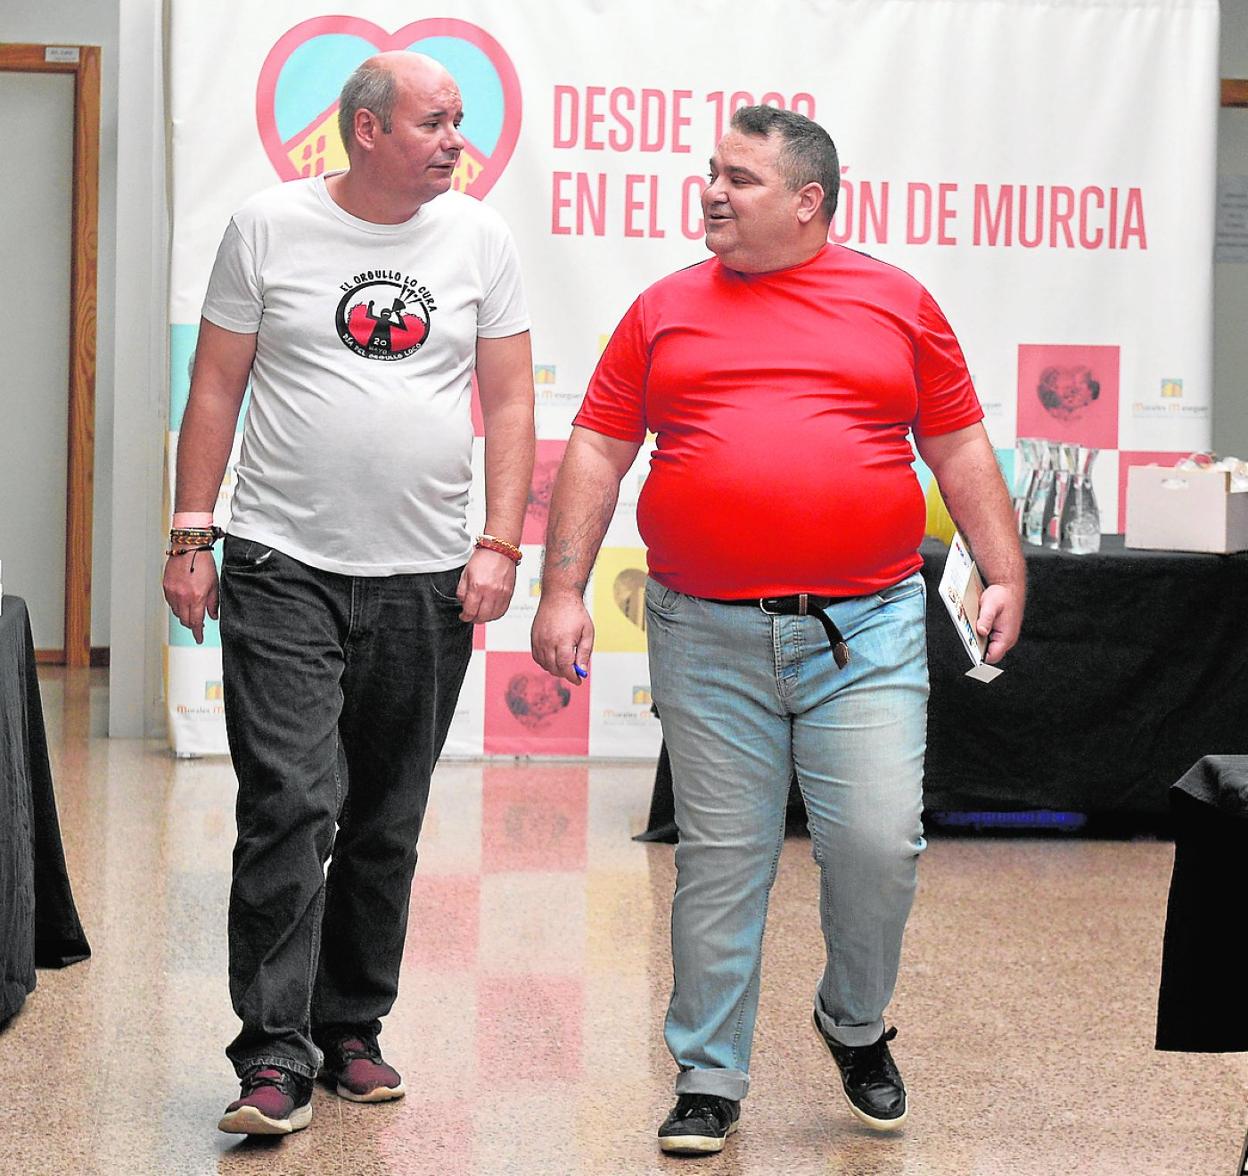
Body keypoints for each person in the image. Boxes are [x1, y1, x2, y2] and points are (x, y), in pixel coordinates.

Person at [531, 105, 1024, 1155]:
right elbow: (598, 450)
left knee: (879, 845)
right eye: (712, 172)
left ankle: (853, 1021)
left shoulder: (899, 304)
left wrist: (1004, 568)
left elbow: (959, 445)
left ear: (808, 202)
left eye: (739, 178)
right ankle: (708, 1074)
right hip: (705, 635)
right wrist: (561, 589)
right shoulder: (662, 309)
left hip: (868, 630)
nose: (713, 191)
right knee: (722, 859)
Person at [162, 51, 534, 1136]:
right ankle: (273, 1053)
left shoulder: (482, 240)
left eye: (459, 121)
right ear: (366, 129)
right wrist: (192, 534)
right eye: (434, 122)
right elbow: (216, 383)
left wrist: (499, 544)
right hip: (283, 564)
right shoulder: (268, 226)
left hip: (426, 578)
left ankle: (352, 1028)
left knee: (384, 818)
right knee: (290, 803)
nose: (455, 141)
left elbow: (511, 401)